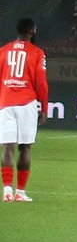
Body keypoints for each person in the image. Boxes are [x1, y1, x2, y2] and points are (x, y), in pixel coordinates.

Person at [0, 17, 48, 202]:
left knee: (7, 147)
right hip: (26, 102)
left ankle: (6, 191)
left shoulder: (3, 51)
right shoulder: (37, 53)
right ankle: (20, 192)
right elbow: (41, 83)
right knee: (25, 148)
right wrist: (44, 107)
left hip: (5, 102)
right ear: (31, 31)